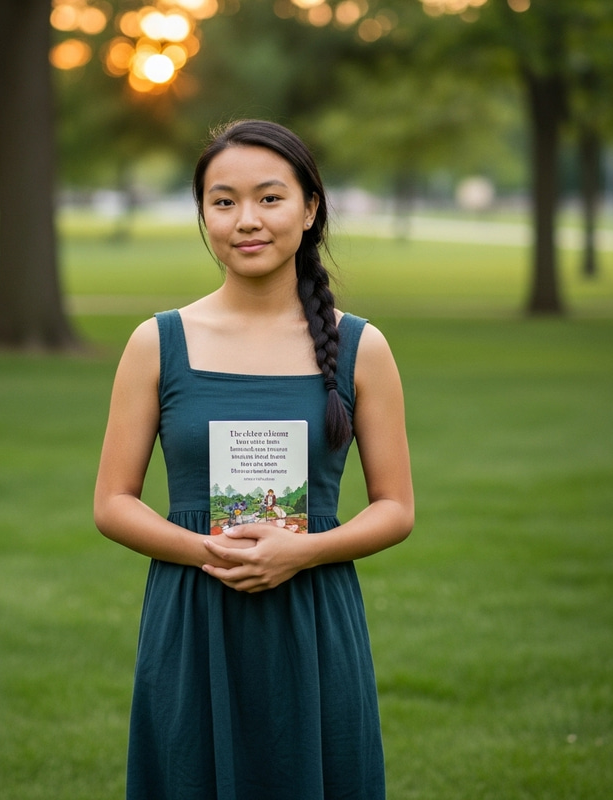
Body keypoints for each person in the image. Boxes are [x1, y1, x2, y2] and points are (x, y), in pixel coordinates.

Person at [94, 119, 414, 799]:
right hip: (192, 617)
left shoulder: (362, 347)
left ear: (310, 208)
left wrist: (299, 553)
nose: (247, 221)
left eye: (270, 198)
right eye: (223, 200)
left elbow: (395, 509)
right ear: (203, 213)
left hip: (312, 618)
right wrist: (208, 552)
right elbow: (113, 503)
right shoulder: (158, 342)